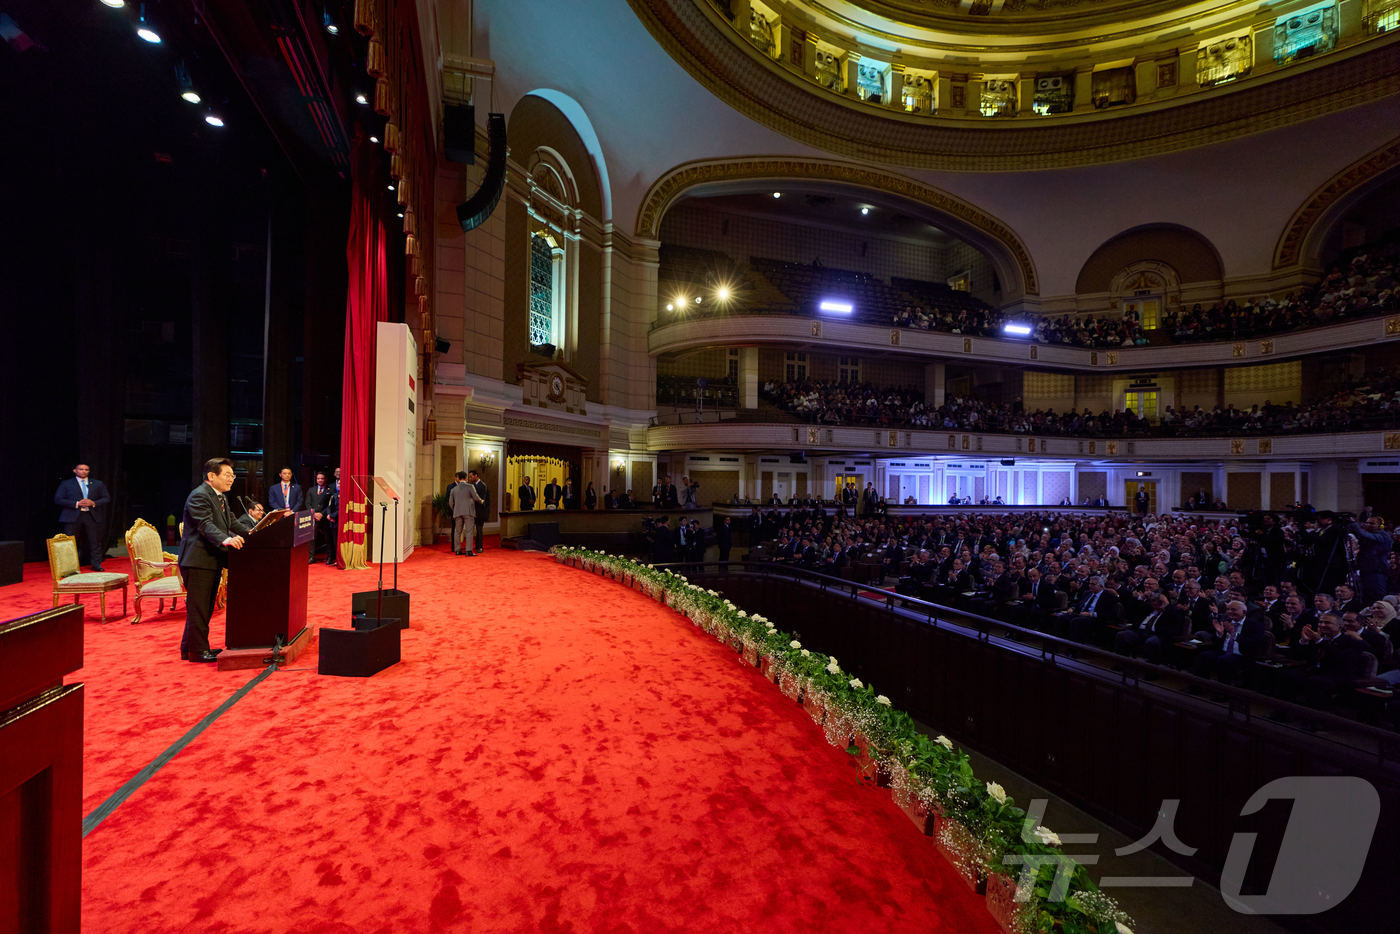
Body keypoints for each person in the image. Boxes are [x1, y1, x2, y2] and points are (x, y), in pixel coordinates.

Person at [177, 458, 248, 663]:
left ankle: (189, 648)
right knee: (199, 607)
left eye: (233, 476)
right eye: (227, 475)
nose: (231, 479)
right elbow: (205, 525)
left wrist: (255, 532)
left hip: (211, 558)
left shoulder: (220, 497)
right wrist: (226, 539)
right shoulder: (199, 496)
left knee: (204, 607)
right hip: (198, 560)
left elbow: (232, 522)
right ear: (211, 476)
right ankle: (198, 652)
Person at [54, 462, 111, 571]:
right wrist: (76, 503)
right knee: (69, 542)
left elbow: (106, 498)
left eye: (86, 469)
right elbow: (58, 499)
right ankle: (69, 568)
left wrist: (93, 502)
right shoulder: (66, 484)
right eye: (81, 469)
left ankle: (96, 565)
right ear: (75, 470)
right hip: (72, 516)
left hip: (91, 515)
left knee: (95, 541)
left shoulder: (97, 483)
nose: (83, 471)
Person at [305, 470, 335, 564]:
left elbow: (330, 505)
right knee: (312, 538)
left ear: (325, 479)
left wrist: (322, 514)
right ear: (316, 479)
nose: (320, 480)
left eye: (322, 478)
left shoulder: (329, 490)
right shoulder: (311, 490)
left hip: (324, 517)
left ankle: (330, 557)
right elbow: (307, 503)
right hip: (313, 517)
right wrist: (314, 514)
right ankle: (311, 557)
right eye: (318, 478)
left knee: (327, 537)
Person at [471, 470, 489, 554]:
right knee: (475, 529)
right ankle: (477, 545)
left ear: (476, 476)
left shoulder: (483, 485)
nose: (470, 478)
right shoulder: (472, 485)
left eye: (471, 476)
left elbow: (483, 499)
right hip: (473, 510)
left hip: (480, 511)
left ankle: (480, 546)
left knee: (479, 529)